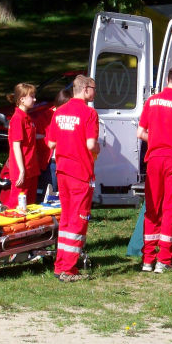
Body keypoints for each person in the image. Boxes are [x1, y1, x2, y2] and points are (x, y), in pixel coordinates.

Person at [136, 65, 172, 273]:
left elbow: (140, 133)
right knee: (171, 207)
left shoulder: (151, 101)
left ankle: (147, 260)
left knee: (153, 208)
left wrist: (156, 139)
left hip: (154, 159)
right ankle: (164, 259)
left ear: (168, 79)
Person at [46, 75, 100, 282]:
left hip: (62, 171)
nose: (95, 92)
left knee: (67, 219)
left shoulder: (59, 111)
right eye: (94, 88)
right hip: (80, 172)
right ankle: (68, 269)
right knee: (78, 220)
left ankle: (60, 265)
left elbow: (51, 143)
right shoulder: (89, 113)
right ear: (85, 89)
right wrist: (98, 148)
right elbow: (90, 144)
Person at [7, 83, 40, 211]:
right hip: (22, 168)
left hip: (31, 166)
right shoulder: (17, 118)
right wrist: (21, 170)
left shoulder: (27, 118)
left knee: (29, 205)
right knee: (17, 204)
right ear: (22, 99)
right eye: (32, 96)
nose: (35, 99)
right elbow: (16, 146)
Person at [37, 87, 73, 199]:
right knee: (50, 190)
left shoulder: (72, 116)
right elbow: (40, 139)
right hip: (51, 160)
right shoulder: (46, 116)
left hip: (67, 159)